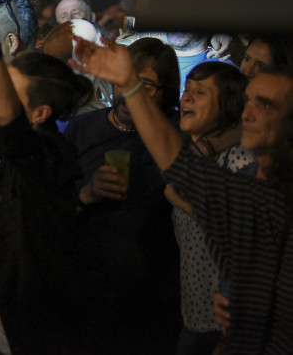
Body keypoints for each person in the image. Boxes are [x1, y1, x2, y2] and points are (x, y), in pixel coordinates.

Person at [73, 41, 293, 355]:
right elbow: (178, 166)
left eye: (266, 103)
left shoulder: (265, 191)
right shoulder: (251, 190)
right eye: (248, 101)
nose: (248, 112)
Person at [0, 0, 91, 354]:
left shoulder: (47, 155)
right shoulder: (10, 141)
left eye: (12, 94)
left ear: (40, 113)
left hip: (34, 329)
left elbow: (7, 124)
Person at [65, 37, 182, 353]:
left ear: (166, 93)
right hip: (92, 289)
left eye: (148, 87)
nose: (131, 96)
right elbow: (55, 210)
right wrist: (87, 193)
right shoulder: (81, 128)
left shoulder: (172, 135)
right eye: (126, 83)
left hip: (154, 293)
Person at [168, 62, 253, 355]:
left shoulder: (239, 160)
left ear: (227, 105)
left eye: (200, 92)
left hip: (226, 325)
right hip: (197, 316)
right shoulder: (202, 152)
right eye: (187, 88)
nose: (186, 97)